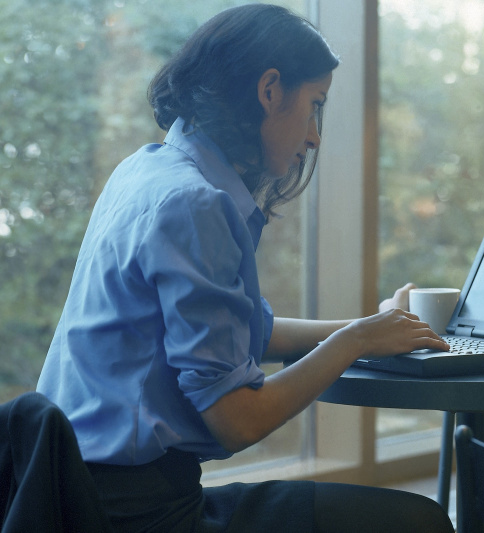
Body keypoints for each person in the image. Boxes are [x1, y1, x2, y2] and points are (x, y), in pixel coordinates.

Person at [36, 4, 454, 532]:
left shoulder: (147, 170)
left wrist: (372, 328)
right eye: (314, 106)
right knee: (417, 521)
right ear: (270, 90)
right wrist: (356, 343)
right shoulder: (195, 204)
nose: (315, 136)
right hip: (140, 515)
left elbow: (239, 335)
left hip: (87, 494)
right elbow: (238, 420)